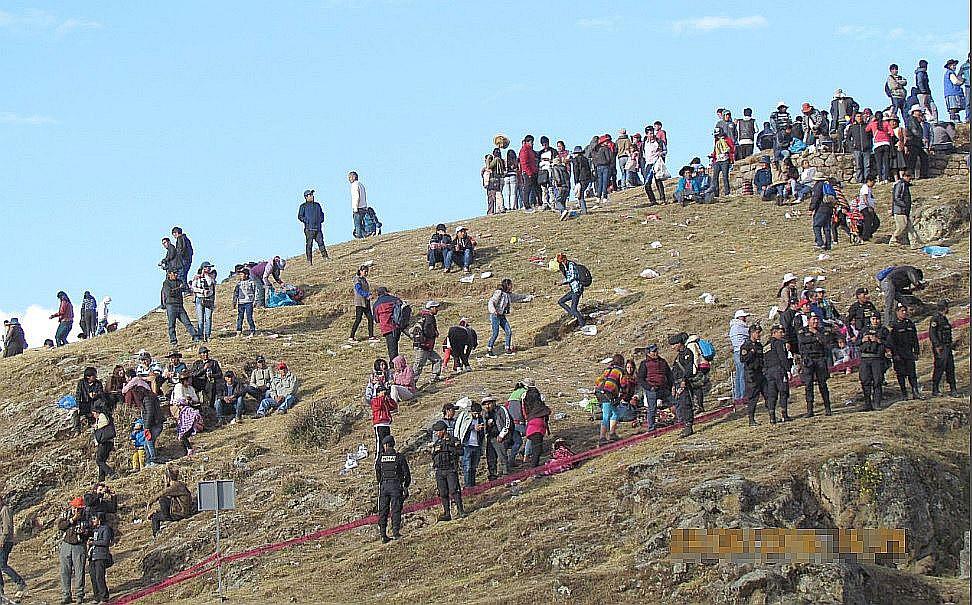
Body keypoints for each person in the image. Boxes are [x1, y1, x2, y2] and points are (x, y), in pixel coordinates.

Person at [797, 315, 842, 417]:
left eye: (817, 319)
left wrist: (816, 333)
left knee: (823, 384)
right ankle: (810, 410)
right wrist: (816, 338)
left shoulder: (822, 330)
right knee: (808, 385)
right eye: (813, 320)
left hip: (820, 359)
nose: (816, 322)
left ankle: (827, 407)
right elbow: (803, 340)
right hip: (808, 360)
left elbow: (826, 341)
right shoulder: (802, 331)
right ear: (808, 321)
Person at [374, 434, 410, 543]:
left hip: (384, 486)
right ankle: (395, 532)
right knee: (396, 510)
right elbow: (407, 474)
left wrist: (381, 482)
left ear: (385, 445)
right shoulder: (399, 457)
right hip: (396, 486)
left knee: (383, 511)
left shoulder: (380, 458)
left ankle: (383, 535)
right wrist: (405, 485)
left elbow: (378, 472)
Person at [57, 496, 91, 604]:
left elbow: (91, 529)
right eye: (74, 507)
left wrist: (84, 532)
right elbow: (60, 526)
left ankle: (79, 595)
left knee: (79, 571)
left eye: (78, 508)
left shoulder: (87, 515)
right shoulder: (65, 514)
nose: (75, 510)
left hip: (79, 546)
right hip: (66, 545)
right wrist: (72, 520)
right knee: (64, 571)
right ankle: (66, 594)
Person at [430, 420, 464, 521]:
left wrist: (449, 448)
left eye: (438, 431)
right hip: (440, 471)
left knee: (454, 491)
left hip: (450, 469)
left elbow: (461, 451)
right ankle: (447, 513)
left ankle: (460, 511)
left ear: (443, 430)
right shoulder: (437, 443)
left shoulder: (453, 440)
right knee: (443, 493)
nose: (436, 433)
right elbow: (433, 456)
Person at [486, 278, 529, 357]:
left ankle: (507, 348)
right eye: (510, 285)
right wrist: (493, 311)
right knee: (495, 333)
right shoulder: (499, 293)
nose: (512, 286)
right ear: (507, 285)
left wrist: (529, 297)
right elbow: (491, 301)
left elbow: (518, 297)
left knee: (508, 331)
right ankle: (489, 349)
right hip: (495, 316)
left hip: (502, 316)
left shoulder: (508, 295)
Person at [888, 304, 921, 401]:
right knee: (901, 374)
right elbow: (891, 342)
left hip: (909, 352)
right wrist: (895, 354)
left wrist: (916, 351)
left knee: (912, 374)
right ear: (897, 312)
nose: (904, 312)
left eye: (905, 310)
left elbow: (915, 338)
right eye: (902, 311)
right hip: (899, 353)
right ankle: (904, 393)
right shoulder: (893, 325)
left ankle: (915, 392)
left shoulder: (909, 323)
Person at [857, 314, 890, 412]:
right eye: (873, 319)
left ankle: (877, 403)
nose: (875, 321)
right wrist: (862, 340)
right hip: (865, 358)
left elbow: (890, 343)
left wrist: (878, 340)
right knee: (865, 381)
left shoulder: (884, 330)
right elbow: (856, 342)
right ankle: (868, 404)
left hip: (877, 358)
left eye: (877, 319)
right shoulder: (864, 330)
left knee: (877, 381)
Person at [149, 466, 192, 537]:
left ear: (168, 478)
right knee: (164, 501)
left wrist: (150, 502)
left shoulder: (175, 486)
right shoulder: (179, 485)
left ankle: (155, 537)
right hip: (182, 511)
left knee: (156, 515)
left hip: (179, 514)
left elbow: (162, 493)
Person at [637, 344, 672, 431]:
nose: (656, 353)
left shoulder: (663, 361)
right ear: (648, 353)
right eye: (654, 351)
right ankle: (651, 427)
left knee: (674, 403)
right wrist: (649, 387)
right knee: (652, 409)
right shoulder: (644, 364)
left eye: (656, 351)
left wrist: (671, 386)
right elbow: (640, 379)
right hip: (652, 390)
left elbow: (669, 374)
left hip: (664, 388)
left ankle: (680, 419)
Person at [0, 495, 27, 600]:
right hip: (2, 541)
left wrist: (2, 540)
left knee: (2, 565)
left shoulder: (5, 510)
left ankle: (20, 583)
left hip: (5, 542)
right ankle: (1, 589)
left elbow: (7, 528)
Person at [669, 333, 696, 437]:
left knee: (686, 404)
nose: (673, 347)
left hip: (684, 383)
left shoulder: (687, 353)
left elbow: (688, 368)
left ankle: (688, 426)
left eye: (674, 344)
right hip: (677, 383)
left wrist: (684, 381)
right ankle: (685, 425)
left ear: (679, 343)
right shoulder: (679, 356)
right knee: (681, 404)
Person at [929, 302, 959, 397]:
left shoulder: (944, 319)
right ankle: (935, 389)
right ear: (945, 308)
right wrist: (937, 346)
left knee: (950, 368)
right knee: (939, 367)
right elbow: (932, 334)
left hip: (947, 346)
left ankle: (953, 389)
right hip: (941, 348)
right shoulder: (935, 319)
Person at [763, 324, 792, 423]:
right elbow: (782, 357)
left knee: (772, 395)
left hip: (769, 372)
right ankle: (784, 415)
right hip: (779, 370)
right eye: (780, 332)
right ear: (774, 333)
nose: (782, 334)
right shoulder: (779, 343)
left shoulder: (766, 345)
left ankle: (772, 417)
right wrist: (788, 370)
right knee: (783, 392)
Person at [161, 269, 198, 345]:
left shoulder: (179, 281)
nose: (176, 275)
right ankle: (173, 341)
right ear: (169, 274)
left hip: (179, 305)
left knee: (187, 322)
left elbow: (185, 289)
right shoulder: (166, 283)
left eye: (176, 273)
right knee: (172, 324)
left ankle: (195, 336)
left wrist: (182, 288)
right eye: (174, 273)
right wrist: (179, 289)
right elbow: (169, 293)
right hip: (171, 305)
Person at [739, 324, 766, 426]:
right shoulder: (746, 346)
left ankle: (772, 415)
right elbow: (743, 359)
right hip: (751, 374)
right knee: (753, 397)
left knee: (768, 394)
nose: (759, 335)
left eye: (759, 332)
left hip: (760, 373)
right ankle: (751, 419)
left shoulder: (759, 345)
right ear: (751, 333)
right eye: (757, 333)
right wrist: (751, 352)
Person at [594, 354, 624, 444]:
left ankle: (612, 433)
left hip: (600, 392)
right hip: (608, 394)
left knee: (615, 413)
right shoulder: (620, 371)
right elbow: (624, 384)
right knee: (606, 415)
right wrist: (622, 395)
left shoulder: (608, 369)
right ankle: (602, 437)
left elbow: (598, 380)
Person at [454, 402, 485, 487]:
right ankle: (468, 486)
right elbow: (461, 429)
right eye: (475, 414)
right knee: (467, 467)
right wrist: (473, 427)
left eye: (479, 413)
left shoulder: (481, 419)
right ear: (471, 412)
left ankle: (473, 485)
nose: (477, 415)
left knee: (474, 467)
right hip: (467, 445)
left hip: (477, 446)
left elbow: (483, 433)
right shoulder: (466, 417)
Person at [411, 301, 442, 382]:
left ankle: (435, 377)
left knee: (437, 360)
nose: (437, 309)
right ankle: (411, 384)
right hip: (423, 346)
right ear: (431, 308)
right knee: (419, 365)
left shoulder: (424, 316)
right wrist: (434, 333)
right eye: (436, 308)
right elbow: (427, 331)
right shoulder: (429, 318)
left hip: (426, 346)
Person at [372, 287, 406, 361]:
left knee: (392, 351)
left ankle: (394, 367)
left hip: (387, 328)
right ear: (386, 292)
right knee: (395, 347)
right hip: (398, 326)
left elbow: (376, 319)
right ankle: (398, 364)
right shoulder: (395, 299)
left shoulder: (376, 304)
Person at [482, 396, 510, 481]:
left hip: (499, 436)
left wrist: (502, 435)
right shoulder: (485, 413)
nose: (487, 406)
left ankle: (505, 473)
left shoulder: (501, 409)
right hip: (490, 437)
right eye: (486, 404)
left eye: (489, 403)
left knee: (502, 456)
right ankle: (492, 474)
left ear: (493, 402)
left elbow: (507, 422)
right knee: (490, 457)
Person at [890, 171, 921, 248]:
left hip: (904, 210)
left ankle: (914, 243)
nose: (910, 180)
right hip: (900, 210)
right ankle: (893, 240)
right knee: (902, 226)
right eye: (909, 178)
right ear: (905, 176)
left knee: (910, 227)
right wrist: (904, 206)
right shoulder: (900, 184)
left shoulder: (905, 185)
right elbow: (896, 198)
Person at [298, 188, 329, 263]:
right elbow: (300, 216)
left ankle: (325, 257)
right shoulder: (303, 206)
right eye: (310, 195)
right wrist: (307, 221)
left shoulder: (317, 205)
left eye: (312, 195)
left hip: (318, 228)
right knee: (309, 245)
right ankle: (309, 261)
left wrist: (321, 220)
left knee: (321, 243)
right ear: (306, 197)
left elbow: (322, 214)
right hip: (309, 229)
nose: (312, 196)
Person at [88, 512, 113, 603]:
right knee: (93, 577)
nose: (93, 520)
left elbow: (105, 542)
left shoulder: (105, 529)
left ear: (100, 519)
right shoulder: (94, 530)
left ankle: (104, 597)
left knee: (99, 576)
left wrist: (93, 542)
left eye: (94, 519)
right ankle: (96, 596)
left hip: (101, 555)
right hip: (93, 556)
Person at [556, 253, 586, 328]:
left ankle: (582, 324)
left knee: (574, 309)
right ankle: (573, 315)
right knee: (561, 301)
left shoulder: (571, 265)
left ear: (564, 259)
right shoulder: (566, 266)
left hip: (577, 289)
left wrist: (562, 282)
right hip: (573, 290)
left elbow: (573, 277)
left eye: (561, 261)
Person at [370, 383, 398, 461]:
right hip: (379, 424)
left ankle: (387, 456)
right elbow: (378, 406)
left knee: (387, 442)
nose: (384, 393)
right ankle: (378, 459)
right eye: (382, 391)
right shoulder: (375, 400)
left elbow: (394, 406)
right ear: (378, 393)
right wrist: (382, 397)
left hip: (386, 424)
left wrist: (388, 397)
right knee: (380, 444)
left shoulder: (385, 400)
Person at [523, 386, 550, 467]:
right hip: (538, 429)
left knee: (535, 449)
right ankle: (534, 468)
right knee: (536, 451)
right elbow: (548, 411)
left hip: (530, 429)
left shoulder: (528, 406)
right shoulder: (539, 406)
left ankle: (531, 462)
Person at [727, 310, 750, 401]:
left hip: (736, 352)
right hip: (742, 351)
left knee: (738, 373)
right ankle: (743, 395)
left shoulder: (733, 327)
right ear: (739, 317)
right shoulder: (740, 327)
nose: (745, 318)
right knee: (743, 373)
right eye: (743, 317)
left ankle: (738, 395)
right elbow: (749, 335)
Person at [191, 262, 217, 342]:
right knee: (200, 319)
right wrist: (202, 291)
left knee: (208, 318)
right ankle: (200, 336)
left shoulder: (211, 277)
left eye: (209, 267)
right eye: (206, 267)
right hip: (199, 299)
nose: (208, 269)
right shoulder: (196, 277)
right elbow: (193, 287)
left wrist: (206, 275)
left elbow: (210, 283)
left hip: (208, 299)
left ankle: (208, 335)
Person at [350, 265, 376, 342]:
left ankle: (371, 336)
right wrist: (367, 295)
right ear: (360, 271)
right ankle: (351, 337)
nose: (366, 273)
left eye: (367, 271)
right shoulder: (357, 279)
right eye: (365, 271)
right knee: (358, 319)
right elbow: (358, 290)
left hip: (366, 301)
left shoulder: (364, 279)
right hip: (360, 302)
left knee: (370, 318)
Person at [844, 112, 872, 183]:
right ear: (855, 118)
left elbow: (871, 136)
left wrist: (869, 145)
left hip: (866, 149)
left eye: (860, 116)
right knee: (858, 166)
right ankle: (860, 180)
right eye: (858, 116)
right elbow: (847, 138)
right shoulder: (852, 127)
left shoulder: (867, 126)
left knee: (867, 166)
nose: (859, 118)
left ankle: (866, 180)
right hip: (856, 149)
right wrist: (851, 146)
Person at [76, 366, 106, 433]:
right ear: (88, 377)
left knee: (100, 403)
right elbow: (78, 394)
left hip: (95, 402)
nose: (96, 376)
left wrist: (96, 395)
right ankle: (77, 430)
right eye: (94, 375)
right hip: (85, 403)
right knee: (75, 412)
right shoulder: (81, 383)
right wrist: (77, 406)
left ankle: (97, 423)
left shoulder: (98, 383)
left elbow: (101, 393)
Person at [866, 112, 894, 183]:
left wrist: (872, 121)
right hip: (886, 143)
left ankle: (881, 179)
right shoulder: (886, 123)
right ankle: (886, 178)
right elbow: (892, 133)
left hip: (877, 144)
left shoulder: (873, 124)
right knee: (886, 162)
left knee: (879, 163)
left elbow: (867, 129)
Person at [92, 400, 116, 481]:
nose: (93, 415)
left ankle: (111, 473)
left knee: (99, 461)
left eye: (94, 413)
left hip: (104, 442)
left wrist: (96, 426)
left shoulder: (102, 416)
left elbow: (105, 422)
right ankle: (101, 479)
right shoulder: (106, 415)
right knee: (102, 461)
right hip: (109, 441)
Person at [809, 175, 834, 250]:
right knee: (827, 227)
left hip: (821, 208)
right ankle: (828, 245)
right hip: (829, 208)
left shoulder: (818, 186)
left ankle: (820, 243)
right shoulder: (828, 184)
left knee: (816, 226)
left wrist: (811, 208)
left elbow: (816, 198)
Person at [642, 128, 667, 204]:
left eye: (652, 133)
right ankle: (652, 200)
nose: (651, 135)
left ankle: (662, 199)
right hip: (648, 164)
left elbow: (665, 151)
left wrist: (661, 153)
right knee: (647, 184)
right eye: (649, 133)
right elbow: (642, 153)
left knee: (658, 181)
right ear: (646, 134)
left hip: (656, 163)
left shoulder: (658, 142)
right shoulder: (644, 143)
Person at [904, 106, 929, 179]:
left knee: (921, 157)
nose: (920, 113)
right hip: (913, 142)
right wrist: (922, 138)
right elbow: (914, 131)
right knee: (912, 159)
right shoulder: (912, 119)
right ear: (914, 112)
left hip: (915, 142)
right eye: (919, 111)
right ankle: (911, 175)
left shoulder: (915, 120)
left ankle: (921, 174)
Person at [232, 267, 257, 337]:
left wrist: (255, 301)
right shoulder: (239, 284)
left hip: (249, 302)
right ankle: (238, 331)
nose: (240, 276)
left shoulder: (251, 282)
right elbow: (235, 293)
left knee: (249, 317)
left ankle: (252, 330)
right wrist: (234, 302)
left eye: (242, 274)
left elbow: (255, 292)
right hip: (241, 302)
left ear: (246, 275)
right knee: (240, 317)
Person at [708, 129, 733, 198]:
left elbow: (731, 149)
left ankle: (727, 193)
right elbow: (715, 151)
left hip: (725, 160)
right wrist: (712, 156)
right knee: (715, 177)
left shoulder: (727, 140)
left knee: (725, 177)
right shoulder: (717, 141)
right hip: (717, 160)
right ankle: (716, 194)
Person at [570, 145, 592, 214]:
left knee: (580, 195)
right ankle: (582, 209)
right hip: (587, 178)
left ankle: (584, 210)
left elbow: (576, 171)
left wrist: (576, 181)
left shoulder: (575, 160)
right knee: (581, 194)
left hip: (581, 179)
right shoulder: (585, 159)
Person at [519, 135, 539, 210]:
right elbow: (524, 163)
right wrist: (529, 173)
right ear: (528, 142)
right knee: (527, 189)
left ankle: (539, 203)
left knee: (537, 188)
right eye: (531, 142)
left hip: (533, 171)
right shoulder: (524, 150)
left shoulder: (530, 150)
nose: (533, 143)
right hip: (528, 173)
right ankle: (526, 205)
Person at [171, 226, 194, 293]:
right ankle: (186, 289)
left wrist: (178, 258)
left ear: (176, 233)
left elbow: (180, 250)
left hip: (183, 260)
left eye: (174, 234)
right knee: (184, 275)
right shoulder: (186, 239)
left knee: (181, 275)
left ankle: (185, 289)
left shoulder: (180, 238)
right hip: (188, 260)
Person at [592, 135, 613, 203]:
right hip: (605, 166)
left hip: (598, 167)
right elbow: (609, 158)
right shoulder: (606, 149)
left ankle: (598, 197)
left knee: (600, 182)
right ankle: (604, 197)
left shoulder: (597, 150)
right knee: (605, 182)